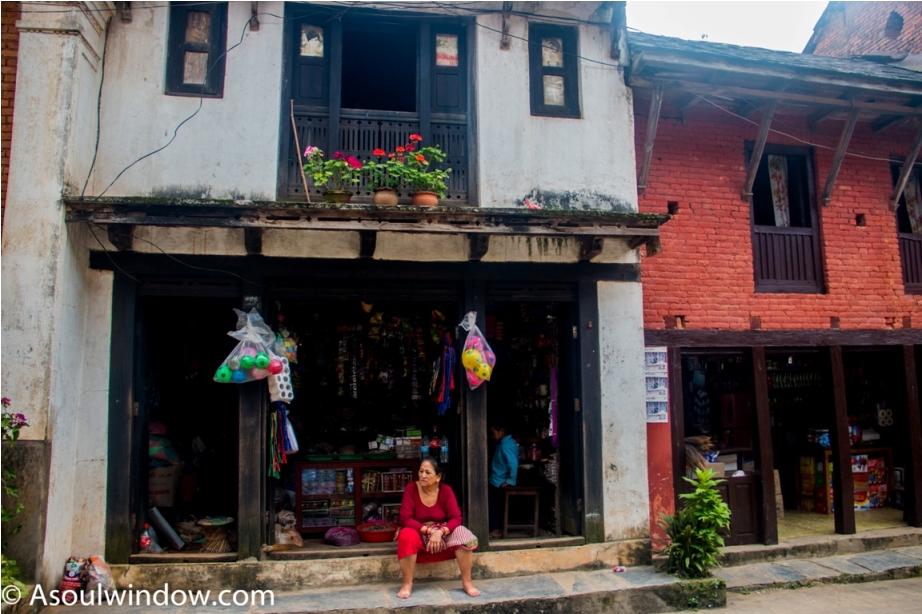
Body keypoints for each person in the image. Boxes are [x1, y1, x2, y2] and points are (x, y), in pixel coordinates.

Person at [396, 457, 480, 599]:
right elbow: (405, 519)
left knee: (463, 534)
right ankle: (407, 584)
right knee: (406, 535)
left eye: (427, 472)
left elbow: (456, 518)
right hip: (418, 531)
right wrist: (429, 531)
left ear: (438, 476)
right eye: (421, 471)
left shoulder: (446, 491)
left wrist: (440, 532)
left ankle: (467, 582)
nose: (423, 475)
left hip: (441, 533)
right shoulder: (411, 488)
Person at [488, 418, 518, 539]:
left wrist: (510, 480)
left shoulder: (506, 445)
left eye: (493, 433)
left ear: (502, 431)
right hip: (496, 479)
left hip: (499, 481)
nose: (492, 436)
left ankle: (496, 529)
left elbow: (513, 464)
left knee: (493, 504)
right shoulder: (505, 443)